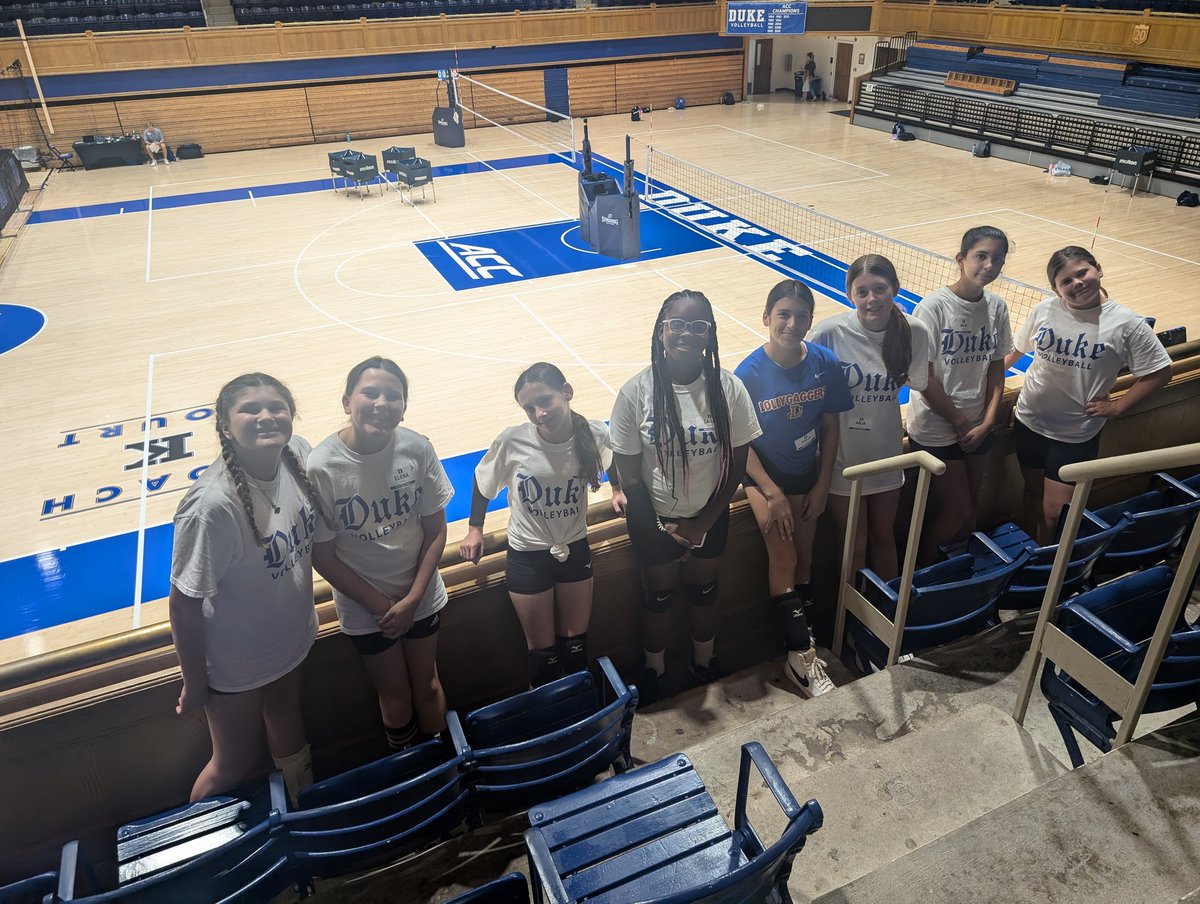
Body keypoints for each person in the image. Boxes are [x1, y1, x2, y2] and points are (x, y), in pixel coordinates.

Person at [169, 373, 326, 804]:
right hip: (235, 665)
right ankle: (199, 854)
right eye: (249, 409)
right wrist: (194, 681)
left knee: (288, 723)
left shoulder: (296, 453)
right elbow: (183, 605)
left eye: (276, 407)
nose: (265, 417)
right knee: (231, 764)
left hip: (290, 638)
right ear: (224, 425)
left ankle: (305, 817)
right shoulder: (211, 507)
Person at [610, 289, 762, 702]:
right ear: (661, 331)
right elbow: (630, 477)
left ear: (710, 336)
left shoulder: (728, 389)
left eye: (699, 326)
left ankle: (704, 661)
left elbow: (735, 467)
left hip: (709, 516)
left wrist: (702, 523)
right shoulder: (636, 392)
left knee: (704, 588)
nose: (686, 333)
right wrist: (661, 529)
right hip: (651, 518)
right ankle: (654, 670)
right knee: (657, 597)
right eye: (676, 324)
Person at [308, 357, 453, 752]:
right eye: (370, 392)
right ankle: (412, 775)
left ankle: (447, 777)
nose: (381, 403)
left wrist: (410, 600)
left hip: (419, 596)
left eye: (393, 395)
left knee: (428, 685)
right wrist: (384, 606)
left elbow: (436, 530)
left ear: (404, 406)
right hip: (364, 608)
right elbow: (322, 556)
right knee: (394, 695)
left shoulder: (416, 448)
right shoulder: (322, 466)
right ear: (346, 401)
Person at [460, 363, 624, 689]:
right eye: (529, 408)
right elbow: (482, 483)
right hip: (527, 554)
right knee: (542, 654)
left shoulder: (593, 433)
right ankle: (552, 721)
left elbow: (612, 457)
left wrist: (617, 489)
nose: (539, 413)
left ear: (567, 392)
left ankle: (579, 718)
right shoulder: (513, 441)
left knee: (575, 645)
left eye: (545, 401)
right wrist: (475, 528)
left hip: (575, 546)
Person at [735, 278, 853, 697]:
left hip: (808, 474)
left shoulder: (825, 362)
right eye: (783, 314)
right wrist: (772, 492)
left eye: (801, 316)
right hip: (763, 476)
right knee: (783, 556)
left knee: (804, 564)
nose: (791, 322)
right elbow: (739, 443)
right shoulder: (747, 374)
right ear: (767, 317)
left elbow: (830, 423)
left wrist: (823, 484)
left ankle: (805, 645)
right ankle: (799, 660)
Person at [1004, 246, 1171, 543]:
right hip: (1029, 421)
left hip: (1075, 433)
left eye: (1082, 273)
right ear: (1056, 289)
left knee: (1056, 511)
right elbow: (1016, 351)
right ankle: (1031, 554)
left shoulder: (1126, 323)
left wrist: (1118, 407)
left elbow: (1160, 372)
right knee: (1032, 493)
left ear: (1098, 269)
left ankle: (1049, 562)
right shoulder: (1044, 310)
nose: (1077, 283)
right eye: (1066, 281)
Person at [811, 255, 934, 582]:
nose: (871, 299)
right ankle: (850, 622)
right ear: (850, 294)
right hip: (842, 459)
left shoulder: (914, 332)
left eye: (879, 289)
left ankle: (888, 614)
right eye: (862, 291)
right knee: (854, 544)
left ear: (894, 288)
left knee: (884, 538)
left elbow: (921, 382)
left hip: (886, 454)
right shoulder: (829, 333)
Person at [907, 226, 1014, 564]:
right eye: (981, 256)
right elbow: (922, 378)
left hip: (979, 425)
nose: (989, 264)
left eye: (997, 258)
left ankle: (958, 580)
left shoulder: (997, 307)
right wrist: (958, 420)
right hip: (938, 427)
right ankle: (920, 575)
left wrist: (988, 420)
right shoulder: (934, 308)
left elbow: (997, 369)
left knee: (969, 515)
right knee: (958, 511)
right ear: (961, 259)